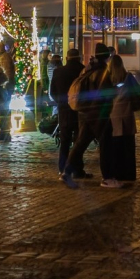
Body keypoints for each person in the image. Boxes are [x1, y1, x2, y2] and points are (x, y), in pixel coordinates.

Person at [61, 44, 111, 189]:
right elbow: (105, 94)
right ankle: (108, 178)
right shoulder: (102, 72)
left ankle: (67, 171)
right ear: (107, 56)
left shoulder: (87, 69)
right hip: (97, 113)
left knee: (80, 144)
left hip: (84, 113)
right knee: (106, 144)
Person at [106, 56, 140, 185]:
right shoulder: (128, 77)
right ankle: (128, 173)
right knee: (128, 145)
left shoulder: (107, 77)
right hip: (126, 112)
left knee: (115, 145)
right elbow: (139, 90)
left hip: (112, 114)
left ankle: (117, 172)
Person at [50, 48, 86, 180]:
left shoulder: (58, 72)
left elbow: (52, 92)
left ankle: (63, 168)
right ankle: (77, 169)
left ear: (66, 58)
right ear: (79, 58)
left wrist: (60, 102)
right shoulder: (82, 70)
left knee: (64, 141)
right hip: (79, 110)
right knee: (78, 141)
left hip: (64, 110)